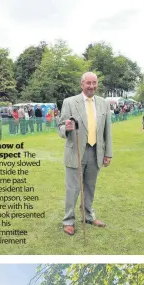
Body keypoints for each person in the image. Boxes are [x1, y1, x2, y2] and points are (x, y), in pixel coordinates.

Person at [58, 72, 113, 236]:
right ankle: (68, 221)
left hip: (96, 152)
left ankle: (89, 216)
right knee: (73, 188)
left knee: (90, 187)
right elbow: (60, 127)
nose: (92, 86)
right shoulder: (69, 102)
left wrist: (108, 153)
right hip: (75, 152)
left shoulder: (104, 103)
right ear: (82, 84)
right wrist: (66, 128)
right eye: (88, 83)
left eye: (94, 83)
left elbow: (107, 131)